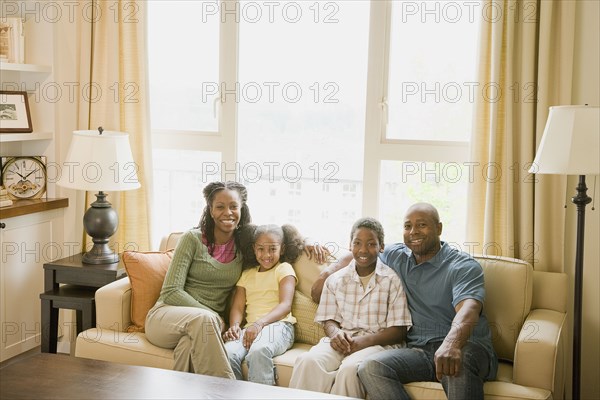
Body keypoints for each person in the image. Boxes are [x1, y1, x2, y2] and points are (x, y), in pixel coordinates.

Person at [312, 203, 498, 399]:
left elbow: (469, 309)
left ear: (439, 228)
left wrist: (451, 344)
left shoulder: (462, 266)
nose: (413, 232)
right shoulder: (398, 256)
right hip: (420, 352)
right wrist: (326, 273)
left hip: (465, 346)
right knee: (371, 367)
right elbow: (361, 251)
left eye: (422, 225)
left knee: (456, 366)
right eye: (407, 226)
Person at [289, 217, 412, 398]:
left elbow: (398, 331)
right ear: (350, 245)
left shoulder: (391, 280)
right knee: (308, 361)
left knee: (349, 370)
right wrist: (335, 333)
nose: (363, 250)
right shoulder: (336, 279)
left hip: (378, 343)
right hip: (343, 339)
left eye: (371, 244)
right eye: (357, 243)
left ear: (381, 247)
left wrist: (362, 342)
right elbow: (329, 319)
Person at [223, 224, 304, 385]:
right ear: (254, 249)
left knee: (259, 351)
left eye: (272, 249)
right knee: (227, 353)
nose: (266, 254)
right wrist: (235, 326)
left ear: (282, 249)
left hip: (280, 326)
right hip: (250, 329)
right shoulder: (246, 275)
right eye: (261, 249)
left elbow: (285, 305)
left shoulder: (284, 269)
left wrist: (259, 324)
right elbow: (238, 307)